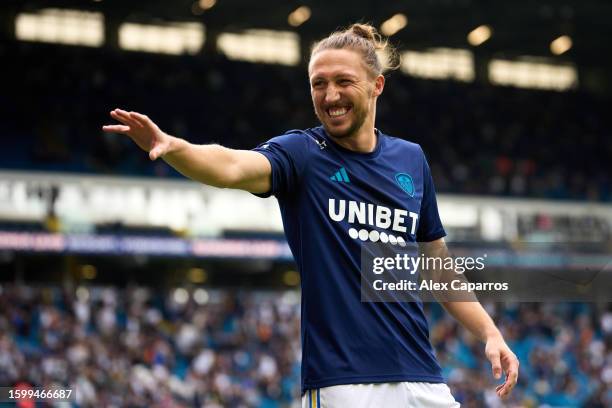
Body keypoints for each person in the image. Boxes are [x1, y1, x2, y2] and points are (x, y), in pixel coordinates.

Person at [103, 23, 519, 407]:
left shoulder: (411, 160)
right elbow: (233, 166)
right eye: (318, 84)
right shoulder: (302, 154)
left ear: (377, 86)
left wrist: (489, 332)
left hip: (423, 378)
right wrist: (176, 148)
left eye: (343, 82)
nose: (330, 95)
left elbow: (438, 267)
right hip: (343, 384)